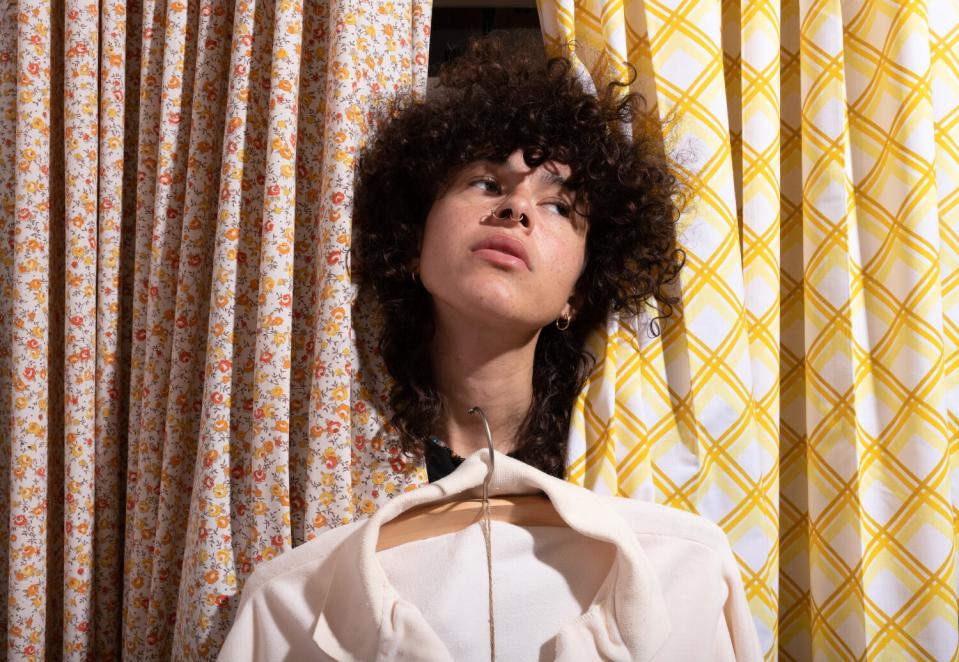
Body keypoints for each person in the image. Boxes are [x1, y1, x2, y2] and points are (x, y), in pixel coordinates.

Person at [351, 37, 684, 482]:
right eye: (487, 184)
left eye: (559, 206)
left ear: (578, 294)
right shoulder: (341, 462)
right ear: (414, 243)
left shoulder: (612, 479)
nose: (517, 209)